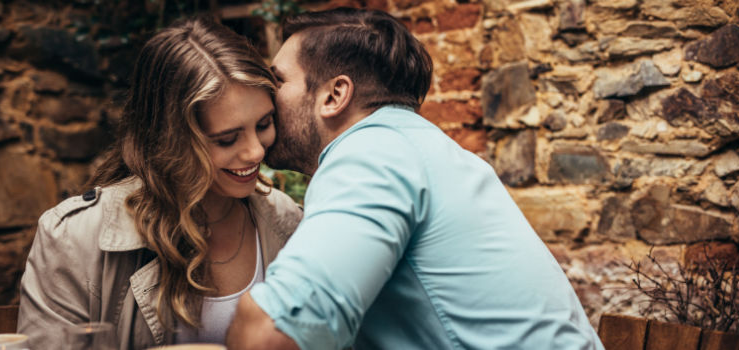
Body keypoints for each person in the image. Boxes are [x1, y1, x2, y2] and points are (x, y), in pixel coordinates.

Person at [227, 7, 604, 350]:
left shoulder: (371, 153)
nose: (268, 97)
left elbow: (272, 334)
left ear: (334, 95)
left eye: (278, 81)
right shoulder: (422, 147)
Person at [17, 17, 303, 349]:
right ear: (171, 140)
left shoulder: (284, 221)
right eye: (226, 140)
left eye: (264, 124)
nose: (255, 151)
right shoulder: (74, 238)